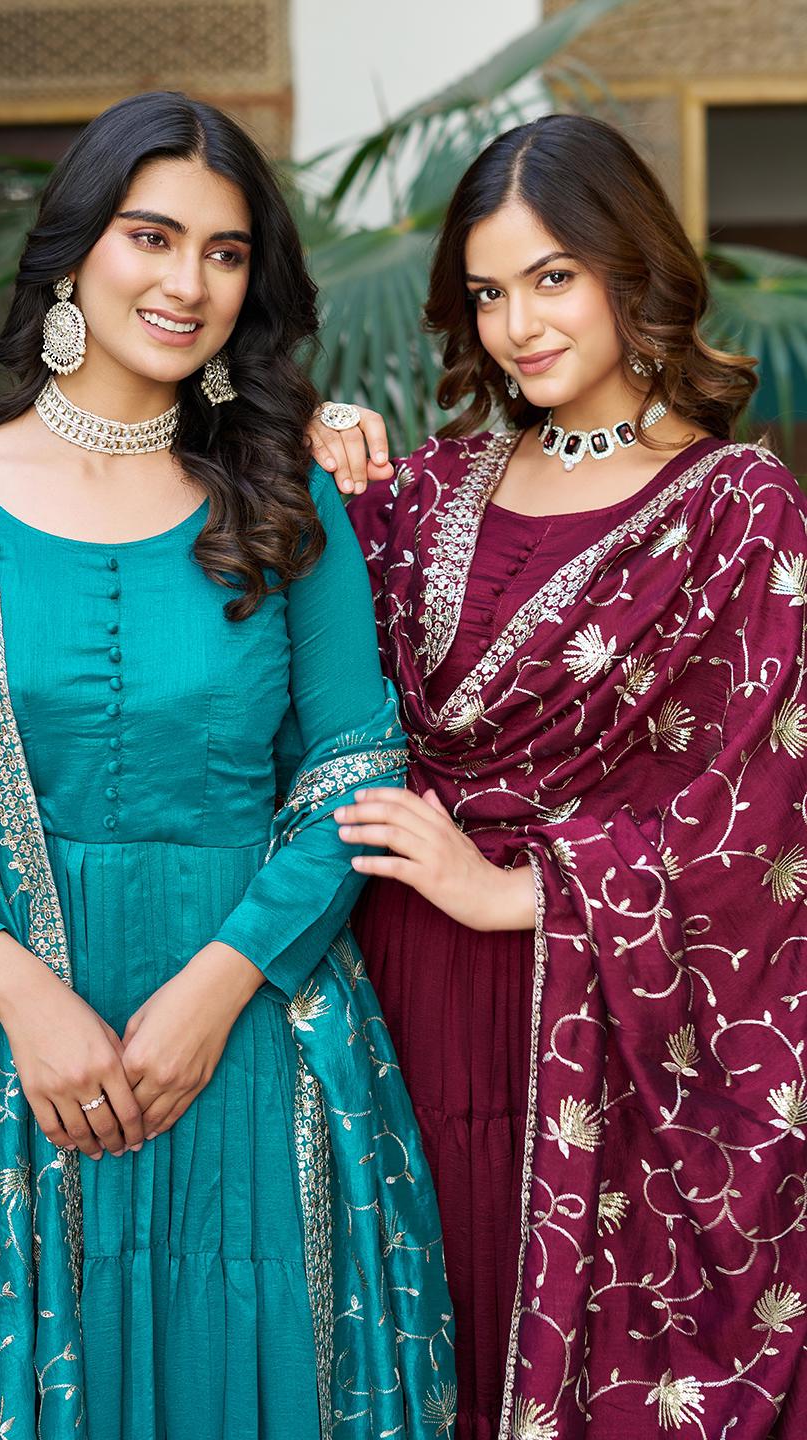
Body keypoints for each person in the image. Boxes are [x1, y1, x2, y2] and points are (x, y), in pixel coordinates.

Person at [0, 92, 453, 1440]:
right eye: (152, 236)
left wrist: (214, 993)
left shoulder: (282, 497)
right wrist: (19, 991)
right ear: (76, 250)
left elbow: (355, 769)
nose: (187, 282)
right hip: (6, 1056)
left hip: (251, 1032)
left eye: (224, 253)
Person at [311, 114, 807, 1438]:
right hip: (396, 984)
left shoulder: (736, 510)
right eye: (485, 291)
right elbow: (272, 656)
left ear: (629, 268)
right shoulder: (417, 490)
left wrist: (519, 896)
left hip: (590, 1018)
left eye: (551, 277)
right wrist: (303, 455)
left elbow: (768, 816)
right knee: (413, 1351)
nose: (518, 324)